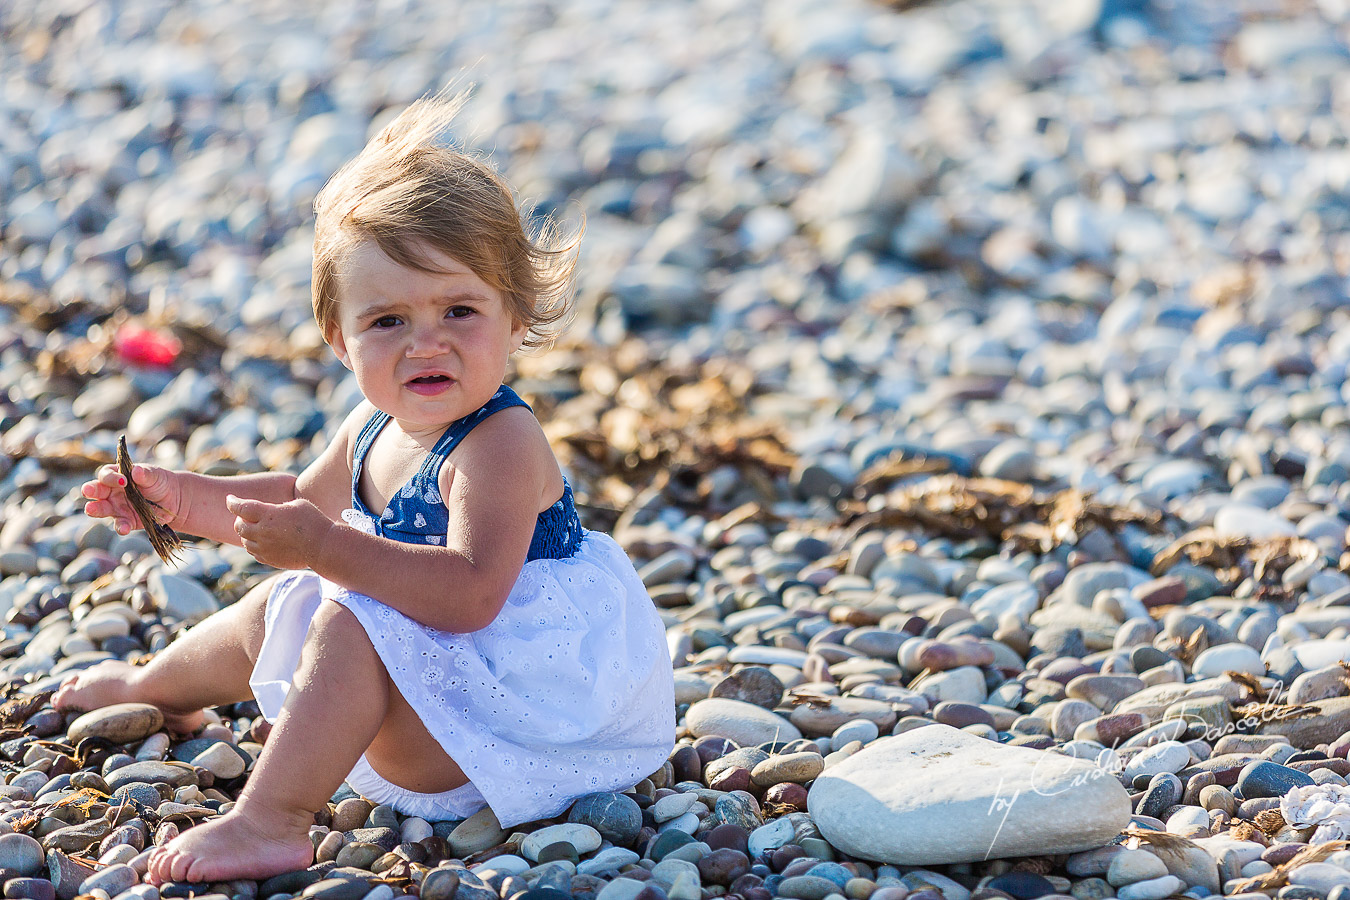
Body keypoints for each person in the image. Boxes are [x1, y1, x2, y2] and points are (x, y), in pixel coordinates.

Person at [58, 92, 675, 885]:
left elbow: (470, 595)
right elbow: (298, 501)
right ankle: (155, 689)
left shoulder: (499, 445)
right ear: (339, 339)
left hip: (513, 713)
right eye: (387, 321)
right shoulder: (372, 425)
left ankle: (270, 820)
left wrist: (328, 551)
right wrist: (180, 499)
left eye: (460, 309)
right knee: (278, 604)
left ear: (517, 317)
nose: (427, 342)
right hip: (436, 679)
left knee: (340, 615)